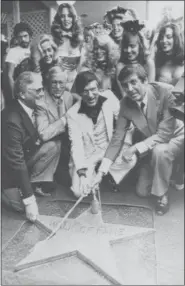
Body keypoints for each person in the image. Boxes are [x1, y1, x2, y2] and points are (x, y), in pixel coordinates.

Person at [93, 64, 184, 215]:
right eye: (125, 85)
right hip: (152, 144)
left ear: (146, 80)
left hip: (177, 137)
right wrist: (101, 172)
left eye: (133, 82)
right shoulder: (125, 104)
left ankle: (163, 195)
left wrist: (135, 148)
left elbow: (165, 134)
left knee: (160, 151)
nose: (129, 89)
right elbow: (117, 139)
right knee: (142, 191)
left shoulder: (165, 91)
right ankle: (168, 172)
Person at [1, 72, 61, 222]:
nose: (42, 94)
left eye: (42, 89)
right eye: (38, 90)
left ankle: (28, 184)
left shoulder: (30, 106)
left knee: (53, 146)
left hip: (23, 157)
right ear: (22, 94)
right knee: (21, 208)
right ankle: (11, 191)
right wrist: (30, 201)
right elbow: (16, 162)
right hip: (6, 169)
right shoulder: (11, 120)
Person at [67, 71, 137, 198]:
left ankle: (107, 173)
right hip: (88, 154)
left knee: (130, 159)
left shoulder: (109, 97)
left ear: (99, 88)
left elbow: (126, 124)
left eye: (93, 89)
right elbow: (76, 146)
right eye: (85, 91)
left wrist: (127, 146)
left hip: (108, 147)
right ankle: (93, 174)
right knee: (79, 192)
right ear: (79, 93)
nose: (90, 95)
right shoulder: (72, 114)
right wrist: (82, 174)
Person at [115, 20, 155, 99]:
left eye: (132, 46)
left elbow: (150, 92)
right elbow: (124, 94)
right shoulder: (120, 66)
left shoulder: (148, 63)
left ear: (140, 46)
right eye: (125, 47)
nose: (128, 50)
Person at [51, 3, 84, 91]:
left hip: (76, 85)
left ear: (73, 18)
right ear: (59, 19)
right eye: (62, 16)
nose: (66, 19)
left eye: (69, 16)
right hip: (58, 87)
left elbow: (82, 65)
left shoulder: (80, 40)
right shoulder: (53, 39)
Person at [4, 22, 33, 103]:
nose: (23, 39)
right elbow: (10, 75)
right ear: (16, 38)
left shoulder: (35, 48)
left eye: (25, 36)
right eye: (20, 37)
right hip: (22, 90)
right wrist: (15, 96)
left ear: (30, 36)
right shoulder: (13, 51)